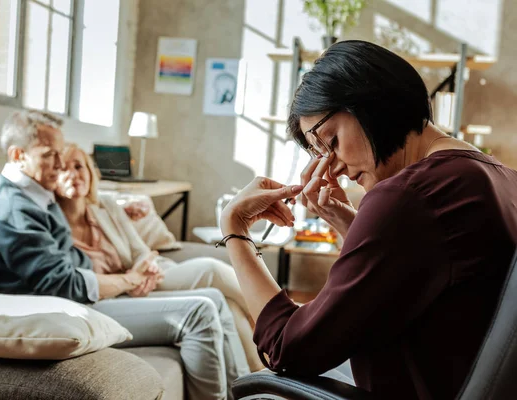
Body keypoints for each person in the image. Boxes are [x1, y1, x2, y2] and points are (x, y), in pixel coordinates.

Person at [217, 40, 517, 399]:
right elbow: (426, 282)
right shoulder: (498, 178)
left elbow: (287, 348)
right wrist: (351, 223)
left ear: (372, 103)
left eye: (331, 141)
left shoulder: (410, 196)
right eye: (318, 152)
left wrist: (235, 231)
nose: (334, 166)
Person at [0, 110, 249, 400]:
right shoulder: (13, 211)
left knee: (214, 299)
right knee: (198, 313)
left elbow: (91, 198)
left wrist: (125, 207)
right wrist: (129, 280)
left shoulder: (35, 193)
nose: (58, 164)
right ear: (17, 155)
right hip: (62, 310)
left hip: (85, 298)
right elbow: (64, 285)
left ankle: (246, 394)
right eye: (49, 155)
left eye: (60, 154)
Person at [55, 142, 262, 372]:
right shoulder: (51, 225)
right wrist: (130, 280)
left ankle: (258, 374)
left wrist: (145, 272)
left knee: (226, 301)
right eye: (64, 168)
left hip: (146, 275)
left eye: (79, 167)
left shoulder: (105, 205)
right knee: (211, 271)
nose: (73, 175)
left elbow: (138, 249)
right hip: (114, 293)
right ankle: (276, 319)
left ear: (90, 172)